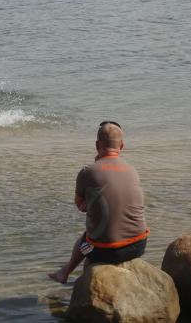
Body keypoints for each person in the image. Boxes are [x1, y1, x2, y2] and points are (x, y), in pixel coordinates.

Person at [48, 121, 148, 283]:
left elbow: (80, 205)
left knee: (85, 243)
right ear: (122, 146)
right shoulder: (133, 170)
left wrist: (93, 203)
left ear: (97, 145)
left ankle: (65, 273)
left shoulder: (88, 172)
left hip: (105, 250)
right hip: (139, 244)